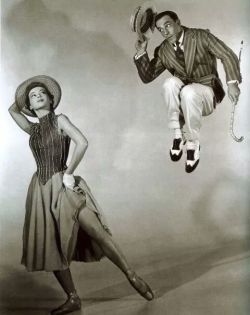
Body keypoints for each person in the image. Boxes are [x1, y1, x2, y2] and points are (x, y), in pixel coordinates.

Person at [9, 75, 154, 315]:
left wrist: (70, 173)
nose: (37, 96)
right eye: (33, 96)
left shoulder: (60, 120)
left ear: (51, 99)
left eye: (42, 92)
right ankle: (73, 298)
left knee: (97, 231)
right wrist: (26, 92)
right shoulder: (31, 127)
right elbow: (13, 109)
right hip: (41, 190)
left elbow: (82, 143)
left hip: (64, 183)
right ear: (30, 106)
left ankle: (132, 275)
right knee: (51, 246)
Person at [134, 10, 241, 173]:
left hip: (207, 94)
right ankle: (178, 135)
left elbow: (226, 54)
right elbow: (148, 76)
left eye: (168, 25)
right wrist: (141, 52)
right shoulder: (163, 50)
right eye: (160, 29)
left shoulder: (200, 36)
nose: (164, 31)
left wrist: (232, 83)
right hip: (184, 99)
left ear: (178, 22)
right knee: (170, 83)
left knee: (188, 92)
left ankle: (192, 144)